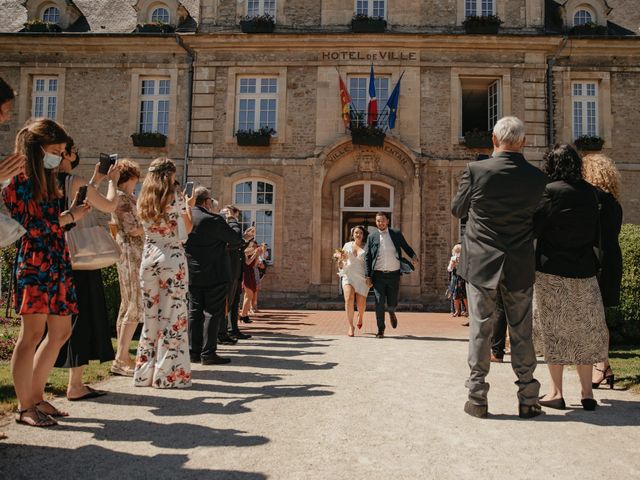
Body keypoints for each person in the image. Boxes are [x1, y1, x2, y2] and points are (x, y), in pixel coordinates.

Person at [451, 116, 547, 419]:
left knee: (480, 329)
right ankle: (528, 397)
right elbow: (541, 222)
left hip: (481, 262)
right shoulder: (537, 178)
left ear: (494, 140)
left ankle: (477, 397)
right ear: (524, 142)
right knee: (522, 331)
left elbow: (458, 209)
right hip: (518, 261)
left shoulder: (476, 171)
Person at [3, 119, 90, 427]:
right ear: (36, 148)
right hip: (35, 261)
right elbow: (30, 226)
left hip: (56, 258)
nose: (59, 155)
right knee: (32, 334)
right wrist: (68, 218)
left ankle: (37, 397)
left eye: (62, 150)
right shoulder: (18, 179)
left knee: (61, 332)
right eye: (55, 150)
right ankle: (25, 407)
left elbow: (49, 220)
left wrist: (69, 216)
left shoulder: (47, 178)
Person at [534, 145, 609, 411]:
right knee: (584, 331)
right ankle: (587, 393)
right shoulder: (591, 192)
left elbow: (535, 227)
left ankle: (556, 392)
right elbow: (597, 232)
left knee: (554, 331)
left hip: (552, 270)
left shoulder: (550, 192)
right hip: (584, 269)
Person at [54, 143, 120, 401]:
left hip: (55, 254)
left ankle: (36, 390)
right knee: (80, 319)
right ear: (66, 154)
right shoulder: (74, 180)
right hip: (79, 258)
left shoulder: (46, 180)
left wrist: (96, 180)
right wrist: (112, 181)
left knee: (50, 324)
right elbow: (108, 206)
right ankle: (76, 384)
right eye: (72, 149)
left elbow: (79, 198)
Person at [134, 158, 194, 388]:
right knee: (172, 315)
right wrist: (187, 206)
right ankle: (167, 376)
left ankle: (143, 374)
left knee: (150, 317)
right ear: (169, 174)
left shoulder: (143, 198)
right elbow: (186, 229)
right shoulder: (175, 197)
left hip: (149, 257)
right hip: (171, 256)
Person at [185, 187, 253, 365]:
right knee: (212, 313)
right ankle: (208, 353)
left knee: (194, 312)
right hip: (214, 273)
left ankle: (193, 351)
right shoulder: (212, 219)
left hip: (192, 272)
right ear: (207, 202)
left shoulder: (186, 217)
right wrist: (230, 220)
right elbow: (235, 239)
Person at [583, 153, 623, 389]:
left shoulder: (596, 201)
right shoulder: (614, 203)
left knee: (595, 317)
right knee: (598, 316)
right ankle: (603, 364)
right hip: (611, 258)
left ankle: (601, 365)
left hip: (598, 261)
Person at [110, 159, 143, 376]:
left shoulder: (128, 197)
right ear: (131, 177)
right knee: (133, 304)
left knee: (128, 303)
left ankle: (122, 356)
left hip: (135, 253)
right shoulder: (121, 198)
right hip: (130, 254)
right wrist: (152, 223)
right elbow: (132, 229)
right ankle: (121, 359)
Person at [364, 212, 418, 338]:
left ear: (387, 221)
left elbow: (406, 246)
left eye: (382, 220)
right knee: (379, 302)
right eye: (378, 221)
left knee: (392, 301)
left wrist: (413, 256)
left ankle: (392, 312)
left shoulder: (396, 234)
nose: (380, 223)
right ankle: (381, 330)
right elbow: (368, 257)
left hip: (394, 274)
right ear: (375, 222)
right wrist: (367, 276)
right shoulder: (372, 237)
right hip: (378, 275)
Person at [224, 204, 252, 340]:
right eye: (236, 214)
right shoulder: (228, 224)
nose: (237, 217)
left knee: (235, 301)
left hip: (237, 269)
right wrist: (231, 218)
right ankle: (226, 330)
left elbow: (238, 246)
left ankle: (233, 329)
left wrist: (246, 239)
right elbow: (233, 242)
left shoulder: (231, 226)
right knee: (229, 301)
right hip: (230, 269)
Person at [338, 225, 370, 337]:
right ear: (352, 234)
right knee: (349, 298)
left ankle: (360, 316)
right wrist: (339, 261)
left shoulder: (367, 247)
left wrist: (369, 277)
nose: (358, 235)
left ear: (363, 235)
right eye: (356, 232)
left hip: (362, 277)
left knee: (361, 304)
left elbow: (369, 264)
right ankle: (351, 326)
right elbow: (342, 260)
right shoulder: (347, 245)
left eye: (360, 233)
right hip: (348, 275)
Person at [239, 240, 263, 323]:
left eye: (256, 246)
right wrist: (254, 254)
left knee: (248, 296)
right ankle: (243, 315)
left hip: (251, 274)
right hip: (246, 274)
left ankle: (244, 315)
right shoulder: (245, 252)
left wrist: (258, 255)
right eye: (254, 246)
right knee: (249, 295)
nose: (255, 247)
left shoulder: (254, 253)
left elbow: (254, 265)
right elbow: (247, 263)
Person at [447, 244, 469, 324]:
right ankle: (457, 311)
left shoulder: (465, 258)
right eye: (457, 251)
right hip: (456, 277)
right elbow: (449, 269)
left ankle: (467, 310)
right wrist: (452, 265)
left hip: (463, 277)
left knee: (464, 295)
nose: (457, 253)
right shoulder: (453, 258)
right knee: (455, 295)